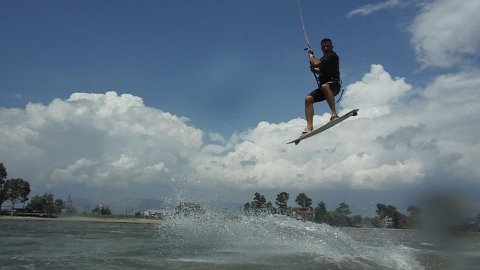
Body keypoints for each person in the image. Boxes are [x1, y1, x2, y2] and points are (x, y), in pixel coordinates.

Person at [302, 38, 341, 135]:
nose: (325, 47)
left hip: (334, 86)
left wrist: (311, 56)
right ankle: (309, 126)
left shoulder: (332, 56)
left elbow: (315, 63)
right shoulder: (323, 61)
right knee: (308, 99)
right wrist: (315, 70)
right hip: (324, 89)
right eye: (323, 46)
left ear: (332, 46)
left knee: (324, 86)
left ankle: (334, 114)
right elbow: (318, 69)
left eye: (327, 45)